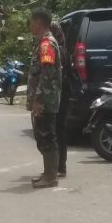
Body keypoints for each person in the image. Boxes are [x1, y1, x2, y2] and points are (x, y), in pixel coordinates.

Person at [27, 7, 63, 188]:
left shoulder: (46, 44)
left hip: (46, 101)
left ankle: (51, 177)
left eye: (31, 21)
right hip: (46, 99)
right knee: (44, 136)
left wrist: (38, 100)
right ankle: (48, 173)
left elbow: (47, 74)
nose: (30, 25)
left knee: (47, 136)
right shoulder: (44, 42)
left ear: (39, 22)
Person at [51, 20, 68, 177]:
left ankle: (58, 166)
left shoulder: (53, 43)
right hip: (54, 89)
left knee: (56, 128)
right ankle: (56, 166)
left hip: (57, 89)